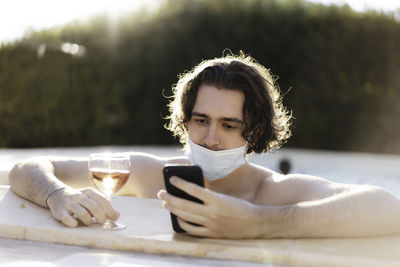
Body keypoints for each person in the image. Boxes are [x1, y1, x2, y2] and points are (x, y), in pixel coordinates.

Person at [8, 52, 400, 239]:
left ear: (256, 131)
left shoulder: (271, 192)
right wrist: (56, 195)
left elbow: (387, 206)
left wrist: (257, 223)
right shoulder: (150, 175)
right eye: (201, 120)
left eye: (229, 125)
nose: (211, 138)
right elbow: (27, 169)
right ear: (186, 120)